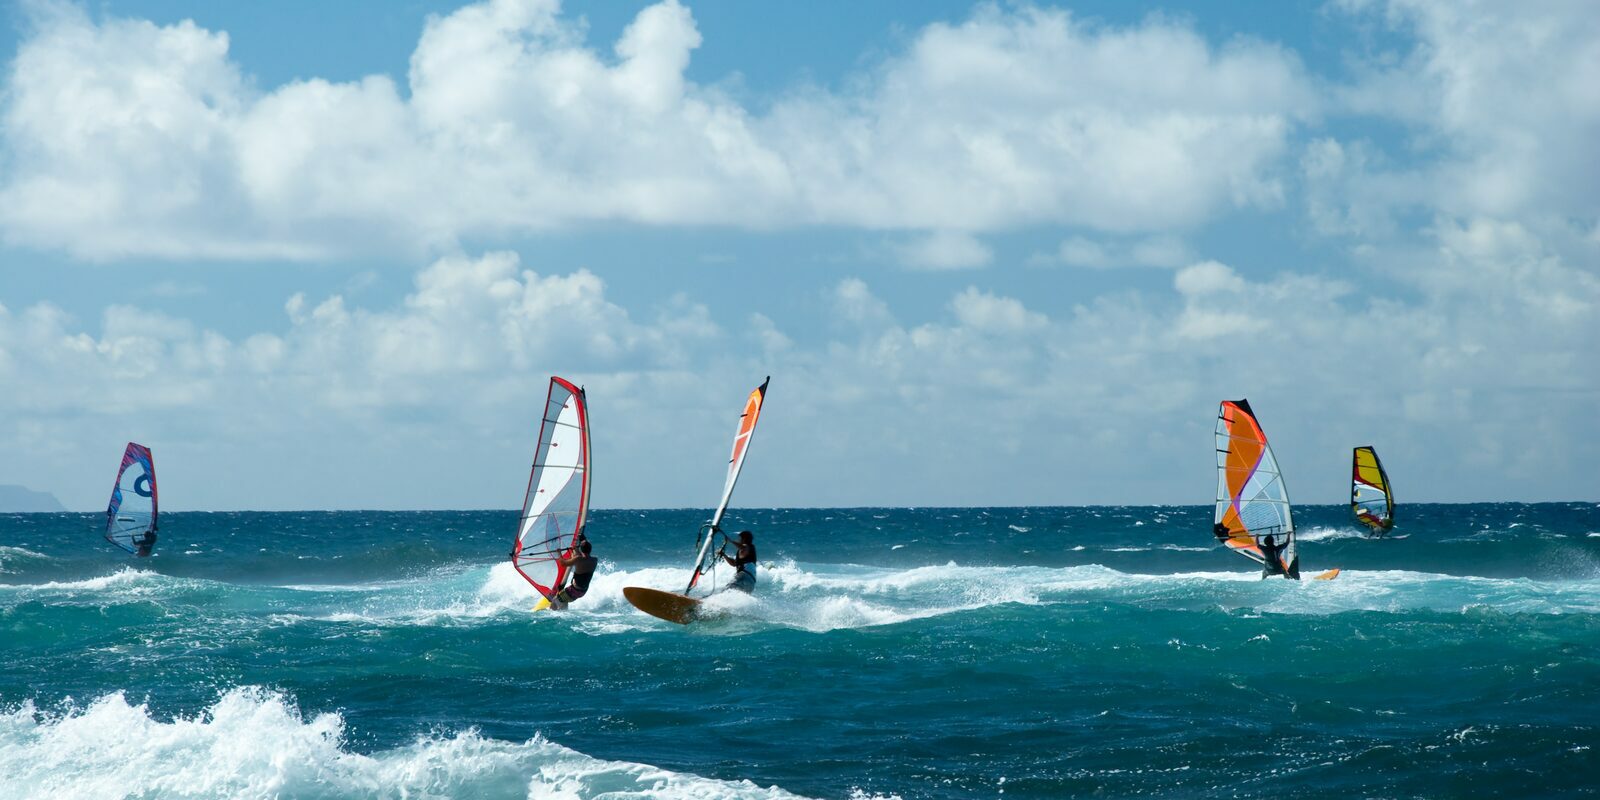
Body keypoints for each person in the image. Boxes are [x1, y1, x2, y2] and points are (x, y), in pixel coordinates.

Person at [549, 534, 597, 610]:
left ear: (581, 549)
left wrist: (559, 553)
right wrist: (577, 547)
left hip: (574, 590)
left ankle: (551, 617)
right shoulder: (594, 560)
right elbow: (582, 555)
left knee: (555, 600)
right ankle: (564, 615)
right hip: (582, 591)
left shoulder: (578, 559)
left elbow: (563, 564)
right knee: (564, 600)